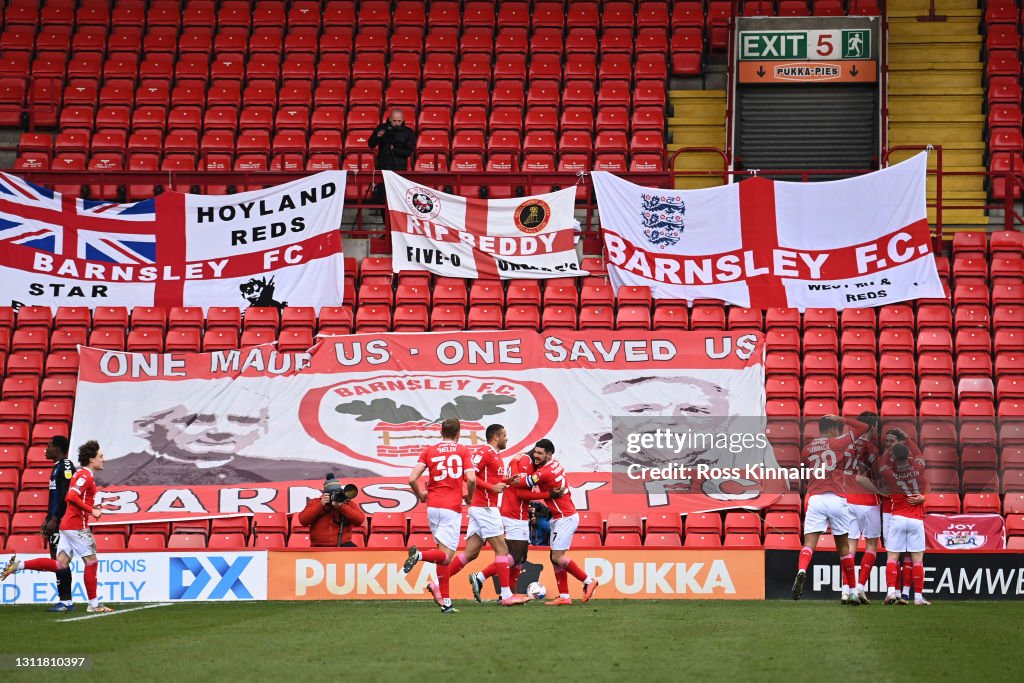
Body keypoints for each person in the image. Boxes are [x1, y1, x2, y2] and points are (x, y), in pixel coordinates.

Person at [99, 404, 374, 486]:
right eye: (200, 419)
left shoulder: (333, 472)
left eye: (243, 420)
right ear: (146, 427)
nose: (221, 431)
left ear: (261, 429)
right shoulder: (107, 475)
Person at [1, 440, 115, 613]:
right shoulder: (85, 476)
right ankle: (95, 605)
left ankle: (19, 565)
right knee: (91, 562)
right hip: (76, 526)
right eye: (100, 456)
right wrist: (92, 510)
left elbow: (76, 498)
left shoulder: (81, 475)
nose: (103, 459)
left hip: (67, 525)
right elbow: (70, 496)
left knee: (61, 564)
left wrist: (91, 508)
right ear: (91, 459)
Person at [435, 424, 528, 606]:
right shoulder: (484, 452)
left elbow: (492, 481)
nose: (507, 438)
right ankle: (507, 595)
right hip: (485, 508)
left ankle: (437, 584)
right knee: (502, 550)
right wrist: (491, 487)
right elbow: (468, 475)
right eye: (504, 435)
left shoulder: (496, 456)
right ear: (495, 436)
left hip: (483, 507)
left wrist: (507, 481)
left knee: (471, 553)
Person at [402, 418, 476, 614]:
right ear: (458, 434)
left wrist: (421, 495)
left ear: (441, 432)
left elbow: (411, 478)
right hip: (451, 507)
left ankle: (446, 603)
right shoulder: (462, 450)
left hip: (433, 506)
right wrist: (469, 496)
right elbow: (471, 478)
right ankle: (419, 555)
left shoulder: (429, 450)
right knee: (445, 556)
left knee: (443, 559)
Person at [791, 415, 868, 605]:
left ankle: (802, 570)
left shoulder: (807, 449)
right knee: (843, 548)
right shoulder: (838, 442)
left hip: (815, 498)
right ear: (833, 430)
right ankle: (851, 592)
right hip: (836, 499)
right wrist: (841, 418)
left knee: (809, 544)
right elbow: (864, 427)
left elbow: (803, 470)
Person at [513, 439, 599, 606]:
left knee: (557, 557)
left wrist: (516, 462)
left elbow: (521, 483)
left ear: (549, 454)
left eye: (539, 453)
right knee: (554, 558)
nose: (535, 456)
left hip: (565, 518)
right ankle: (565, 596)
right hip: (562, 516)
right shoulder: (555, 464)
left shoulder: (545, 472)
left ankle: (588, 581)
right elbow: (538, 469)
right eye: (535, 452)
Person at [864, 434, 930, 605]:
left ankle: (892, 592)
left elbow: (881, 465)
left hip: (897, 518)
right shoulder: (918, 470)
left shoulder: (890, 474)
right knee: (917, 560)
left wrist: (888, 449)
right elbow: (920, 456)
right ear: (908, 455)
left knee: (892, 557)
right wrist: (907, 439)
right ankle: (918, 598)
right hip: (916, 519)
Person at [499, 444, 552, 595]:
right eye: (538, 453)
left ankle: (510, 594)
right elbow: (520, 493)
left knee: (521, 558)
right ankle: (481, 577)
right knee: (516, 556)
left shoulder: (525, 462)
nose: (540, 457)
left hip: (519, 514)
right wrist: (548, 495)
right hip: (513, 513)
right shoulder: (525, 462)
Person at [842, 413, 883, 605]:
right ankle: (859, 588)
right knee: (871, 545)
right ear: (873, 426)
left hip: (848, 500)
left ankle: (845, 590)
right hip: (866, 502)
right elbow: (861, 476)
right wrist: (881, 491)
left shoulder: (848, 445)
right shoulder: (870, 447)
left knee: (850, 546)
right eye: (876, 426)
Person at [41, 436, 76, 612]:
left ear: (58, 448)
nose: (46, 450)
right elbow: (54, 497)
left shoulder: (66, 466)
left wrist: (55, 519)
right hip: (57, 520)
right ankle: (65, 601)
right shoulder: (56, 468)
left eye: (49, 446)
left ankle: (66, 602)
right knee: (57, 560)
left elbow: (66, 494)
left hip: (64, 522)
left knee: (60, 561)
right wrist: (48, 518)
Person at [368, 108, 416, 216]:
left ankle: (395, 230)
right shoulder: (382, 128)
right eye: (394, 121)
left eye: (399, 121)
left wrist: (394, 149)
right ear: (390, 119)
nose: (396, 123)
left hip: (399, 171)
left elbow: (408, 152)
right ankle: (387, 228)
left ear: (403, 119)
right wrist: (377, 136)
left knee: (398, 201)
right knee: (382, 200)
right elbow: (370, 144)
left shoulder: (408, 132)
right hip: (383, 169)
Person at [298, 474, 367, 548]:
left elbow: (360, 520)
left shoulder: (347, 503)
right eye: (332, 494)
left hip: (343, 545)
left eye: (337, 494)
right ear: (325, 494)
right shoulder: (315, 502)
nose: (335, 497)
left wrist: (341, 507)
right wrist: (321, 505)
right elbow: (303, 520)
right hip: (319, 547)